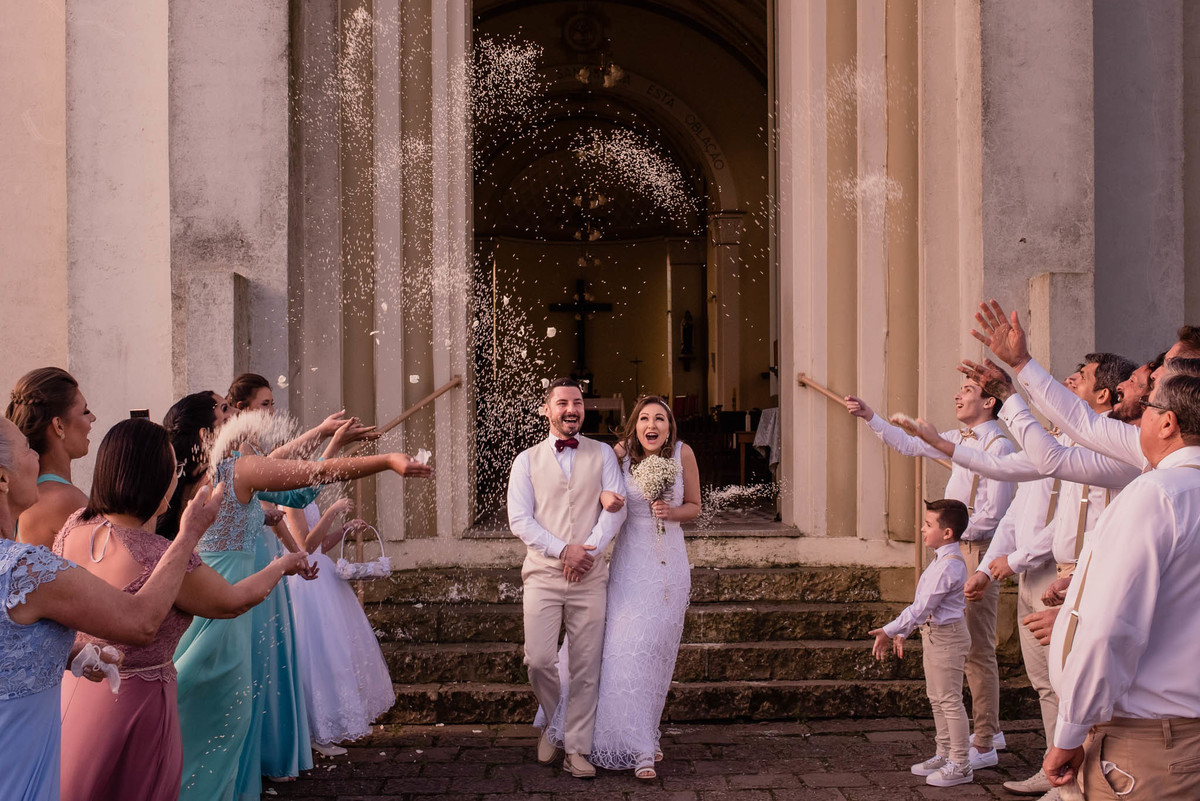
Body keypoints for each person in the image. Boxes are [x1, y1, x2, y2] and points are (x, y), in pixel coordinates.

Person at [164, 395, 430, 801]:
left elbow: (301, 486)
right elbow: (317, 471)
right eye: (226, 411)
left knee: (202, 723)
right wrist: (387, 460)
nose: (237, 415)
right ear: (207, 432)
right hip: (230, 607)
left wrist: (327, 438)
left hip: (200, 601)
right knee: (228, 723)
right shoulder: (237, 469)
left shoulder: (185, 480)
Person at [54, 418, 308, 801]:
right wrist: (282, 565)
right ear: (157, 482)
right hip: (137, 707)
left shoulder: (74, 528)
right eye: (172, 468)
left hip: (76, 694)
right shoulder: (162, 557)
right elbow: (232, 601)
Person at [0, 415, 220, 801]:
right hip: (19, 762)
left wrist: (68, 654)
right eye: (27, 448)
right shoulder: (27, 568)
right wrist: (188, 535)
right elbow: (139, 623)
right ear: (2, 480)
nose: (36, 456)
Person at [1042, 372, 1200, 799]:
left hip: (1149, 742)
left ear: (1167, 423)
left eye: (1146, 409)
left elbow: (1112, 626)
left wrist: (1069, 733)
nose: (1138, 422)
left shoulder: (1157, 494)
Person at [846, 378, 1015, 768]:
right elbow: (908, 444)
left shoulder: (1000, 446)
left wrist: (950, 536)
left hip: (977, 550)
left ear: (989, 402)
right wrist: (870, 415)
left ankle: (986, 739)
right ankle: (963, 736)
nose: (958, 394)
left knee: (977, 648)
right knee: (952, 637)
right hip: (953, 545)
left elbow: (996, 512)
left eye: (968, 390)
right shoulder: (959, 437)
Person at [540, 395, 701, 779]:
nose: (652, 424)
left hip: (667, 570)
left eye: (659, 418)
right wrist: (603, 496)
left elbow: (695, 506)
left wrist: (670, 511)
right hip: (629, 566)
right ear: (635, 424)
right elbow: (588, 487)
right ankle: (627, 742)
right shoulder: (620, 454)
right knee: (622, 651)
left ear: (669, 426)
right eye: (644, 418)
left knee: (652, 654)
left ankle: (644, 740)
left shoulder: (683, 453)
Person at [509, 377, 626, 779]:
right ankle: (555, 720)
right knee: (539, 659)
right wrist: (564, 550)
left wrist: (586, 553)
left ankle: (577, 748)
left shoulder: (604, 454)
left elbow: (617, 508)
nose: (571, 409)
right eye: (562, 403)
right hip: (542, 574)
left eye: (577, 402)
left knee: (586, 665)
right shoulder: (525, 460)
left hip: (590, 575)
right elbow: (519, 519)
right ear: (547, 409)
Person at [870, 499, 972, 788]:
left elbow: (922, 607)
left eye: (929, 525)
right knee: (937, 698)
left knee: (950, 700)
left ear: (948, 533)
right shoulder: (940, 559)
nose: (922, 529)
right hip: (935, 634)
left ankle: (961, 762)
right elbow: (922, 608)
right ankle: (944, 753)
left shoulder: (948, 567)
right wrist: (905, 631)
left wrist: (890, 631)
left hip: (947, 638)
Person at [283, 498, 395, 756]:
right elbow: (305, 545)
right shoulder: (290, 498)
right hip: (304, 583)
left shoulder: (304, 494)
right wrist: (332, 511)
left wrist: (343, 529)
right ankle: (313, 732)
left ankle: (324, 729)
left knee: (332, 654)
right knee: (313, 656)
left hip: (321, 578)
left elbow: (320, 546)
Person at [5, 367, 96, 547]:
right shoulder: (64, 500)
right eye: (85, 411)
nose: (93, 418)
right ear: (59, 426)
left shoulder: (25, 495)